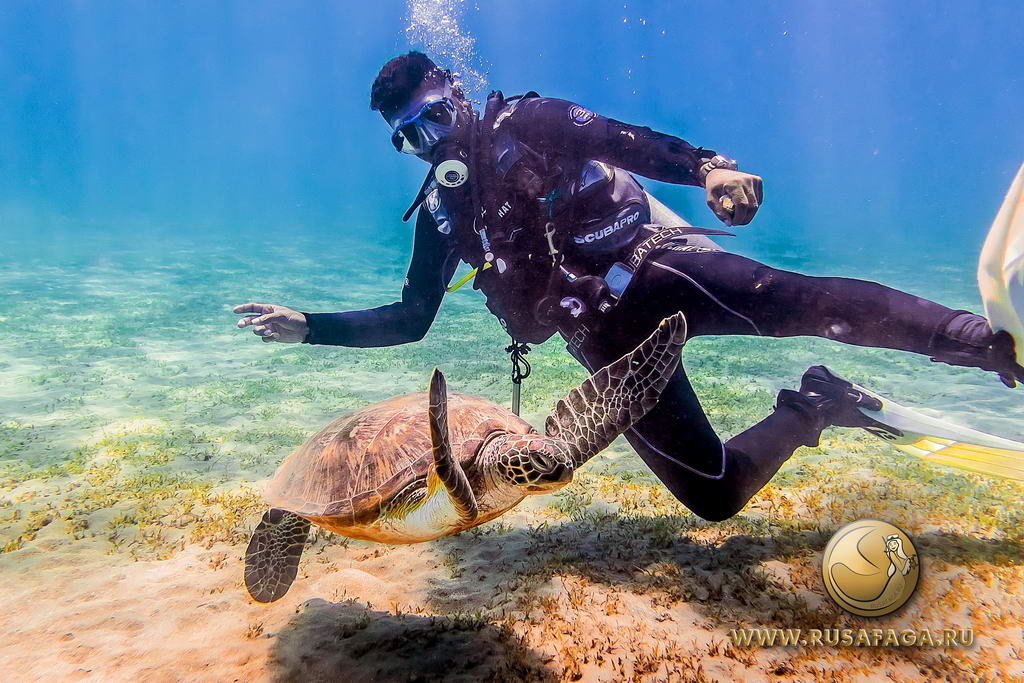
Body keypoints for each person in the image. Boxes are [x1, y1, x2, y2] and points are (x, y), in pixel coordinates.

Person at [234, 52, 1023, 522]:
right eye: (409, 138)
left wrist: (708, 168)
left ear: (455, 91)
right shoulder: (443, 214)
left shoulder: (527, 123)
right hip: (603, 341)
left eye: (433, 119)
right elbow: (412, 317)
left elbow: (626, 142)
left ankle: (977, 339)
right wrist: (309, 325)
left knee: (799, 300)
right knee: (714, 495)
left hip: (653, 268)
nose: (428, 143)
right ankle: (816, 404)